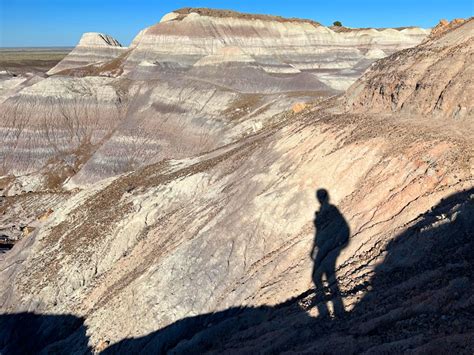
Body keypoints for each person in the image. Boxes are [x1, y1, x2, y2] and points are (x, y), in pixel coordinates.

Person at [310, 189, 349, 318]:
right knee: (317, 277)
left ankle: (338, 312)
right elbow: (318, 231)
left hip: (331, 246)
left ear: (326, 197)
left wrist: (339, 244)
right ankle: (328, 311)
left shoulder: (332, 210)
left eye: (322, 196)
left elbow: (343, 226)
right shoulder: (320, 212)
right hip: (323, 247)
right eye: (319, 197)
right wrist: (314, 247)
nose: (320, 199)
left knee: (328, 277)